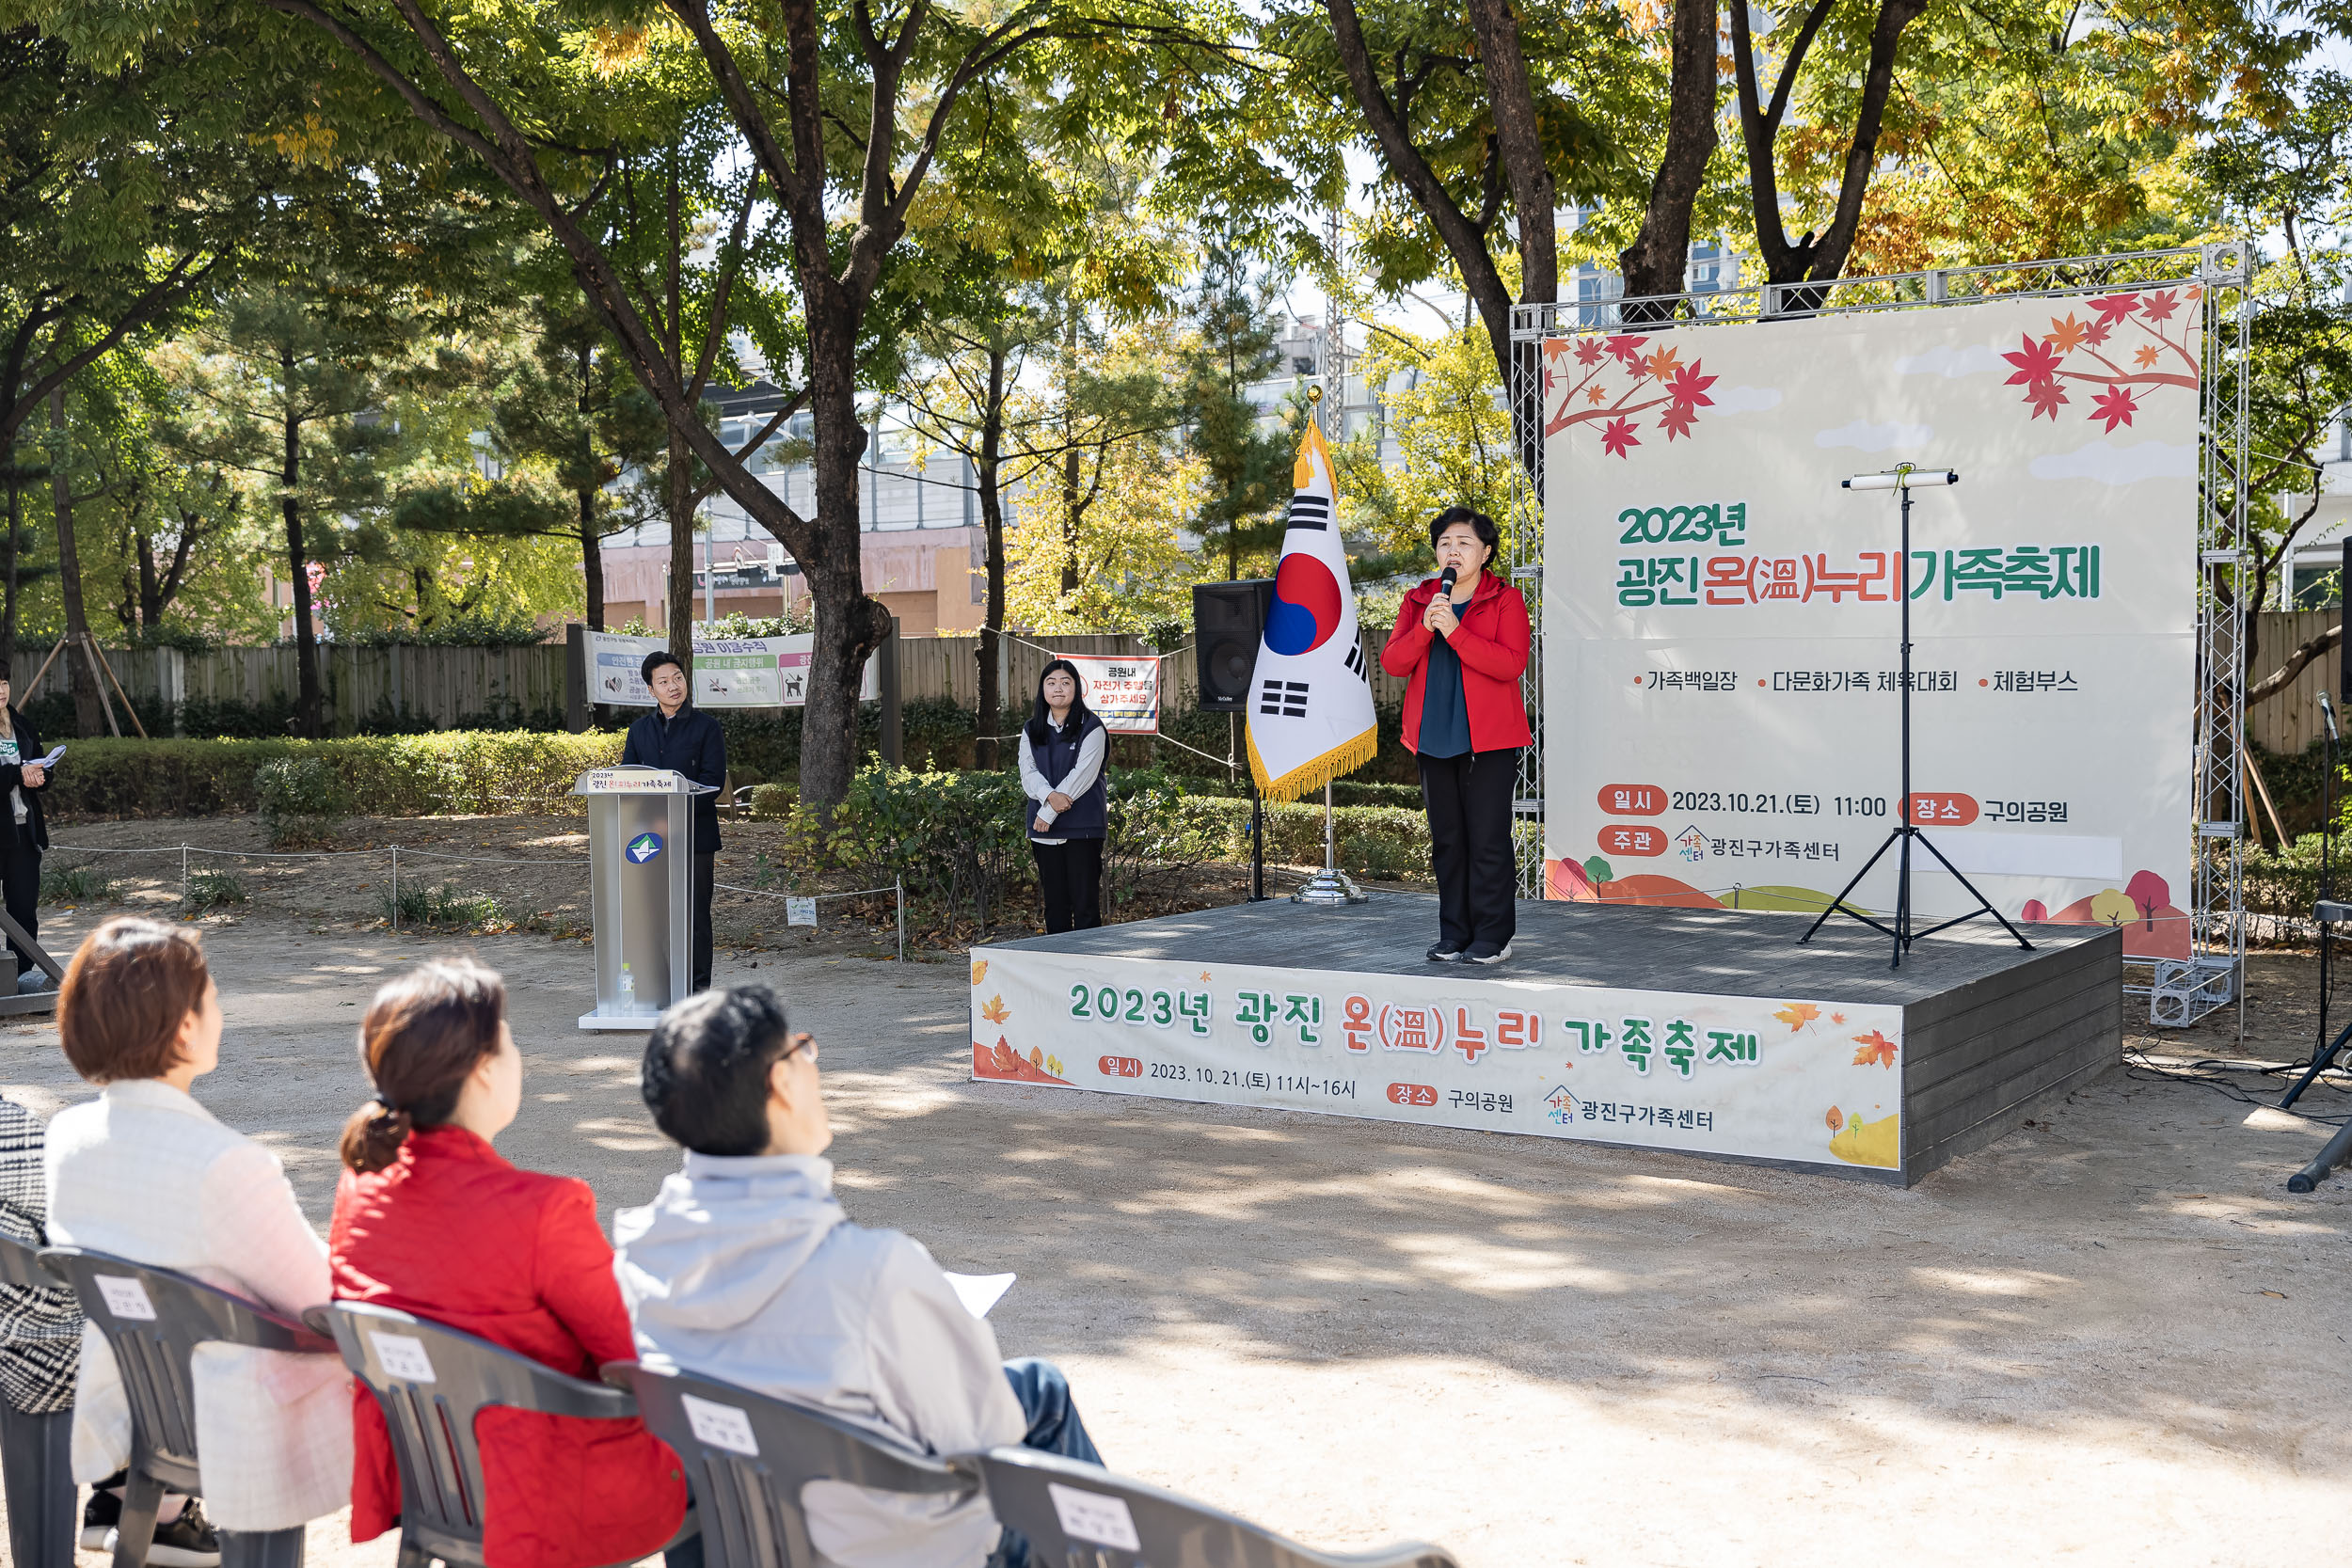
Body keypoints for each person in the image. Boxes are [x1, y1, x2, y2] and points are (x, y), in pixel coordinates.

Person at [616, 985, 1104, 1568]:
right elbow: (985, 1433)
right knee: (1038, 1395)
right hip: (889, 1552)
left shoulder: (635, 1260)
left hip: (732, 1544)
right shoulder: (872, 1273)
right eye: (802, 1050)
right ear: (781, 1084)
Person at [329, 958, 689, 1568]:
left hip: (434, 1483)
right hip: (555, 1495)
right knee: (721, 1463)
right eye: (511, 1040)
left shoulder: (358, 1188)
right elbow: (632, 1357)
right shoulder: (545, 1210)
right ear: (483, 1070)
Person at [44, 916, 352, 1566]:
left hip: (132, 1403)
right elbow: (321, 1301)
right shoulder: (227, 1163)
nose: (219, 1012)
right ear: (185, 1027)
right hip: (231, 1422)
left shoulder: (67, 1139)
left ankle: (148, 1503)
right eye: (210, 997)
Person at [1380, 507, 1533, 965]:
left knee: (1487, 838)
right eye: (1446, 543)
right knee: (1447, 840)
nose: (1454, 551)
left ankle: (1492, 936)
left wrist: (1457, 632)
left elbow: (1510, 664)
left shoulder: (1506, 599)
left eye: (1465, 543)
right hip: (1432, 736)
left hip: (1489, 739)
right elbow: (1393, 663)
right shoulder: (1419, 600)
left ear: (1485, 553)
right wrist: (1426, 629)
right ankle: (1454, 933)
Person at [622, 650, 725, 991]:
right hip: (650, 837)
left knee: (695, 917)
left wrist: (675, 815)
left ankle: (697, 992)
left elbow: (713, 782)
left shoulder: (707, 728)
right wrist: (655, 820)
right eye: (663, 682)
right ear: (651, 690)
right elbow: (630, 780)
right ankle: (658, 987)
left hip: (695, 836)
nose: (673, 686)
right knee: (654, 915)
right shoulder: (638, 731)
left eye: (677, 678)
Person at [1017, 659, 1107, 934]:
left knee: (1085, 905)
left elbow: (1083, 775)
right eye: (1051, 682)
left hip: (1083, 829)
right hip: (1043, 832)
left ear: (1076, 689)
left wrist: (1047, 812)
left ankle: (1088, 968)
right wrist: (1049, 798)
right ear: (1042, 689)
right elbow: (1027, 772)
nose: (1058, 688)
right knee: (1054, 905)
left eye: (1066, 682)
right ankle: (1057, 970)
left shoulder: (1092, 727)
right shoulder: (1032, 729)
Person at [0, 664, 55, 993]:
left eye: (4, 682)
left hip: (24, 833)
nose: (2, 690)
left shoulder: (22, 725)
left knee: (23, 911)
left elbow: (39, 765)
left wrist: (40, 775)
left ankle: (17, 979)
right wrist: (16, 775)